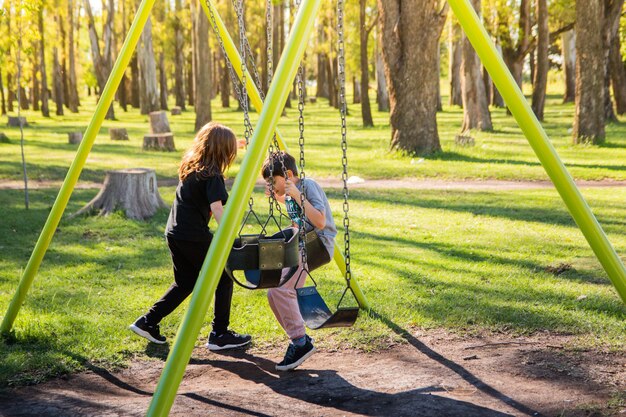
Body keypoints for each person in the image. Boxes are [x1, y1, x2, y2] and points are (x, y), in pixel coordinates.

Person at [130, 122, 251, 351]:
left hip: (174, 233)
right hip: (194, 235)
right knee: (223, 277)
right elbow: (217, 209)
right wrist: (228, 234)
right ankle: (220, 334)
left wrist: (236, 142)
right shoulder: (214, 175)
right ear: (222, 151)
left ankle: (147, 321)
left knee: (185, 282)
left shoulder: (191, 168)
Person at [261, 151, 337, 371]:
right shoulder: (290, 191)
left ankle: (300, 343)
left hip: (318, 244)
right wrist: (278, 196)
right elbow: (293, 210)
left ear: (288, 175)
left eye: (273, 181)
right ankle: (300, 339)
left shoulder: (308, 186)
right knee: (273, 293)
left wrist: (296, 196)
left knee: (280, 291)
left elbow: (320, 222)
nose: (272, 185)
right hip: (302, 245)